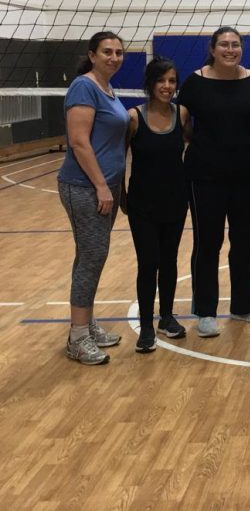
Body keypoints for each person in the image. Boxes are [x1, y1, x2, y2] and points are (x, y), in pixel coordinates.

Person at [177, 27, 250, 338]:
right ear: (212, 49)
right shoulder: (195, 82)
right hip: (205, 175)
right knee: (208, 242)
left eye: (235, 45)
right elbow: (183, 125)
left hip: (246, 175)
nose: (230, 50)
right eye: (224, 45)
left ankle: (244, 304)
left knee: (245, 241)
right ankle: (205, 311)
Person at [58, 31, 130, 365]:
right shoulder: (83, 87)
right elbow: (79, 141)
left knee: (91, 257)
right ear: (92, 55)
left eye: (118, 52)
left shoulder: (108, 89)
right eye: (107, 52)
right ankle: (77, 338)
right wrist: (101, 186)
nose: (114, 57)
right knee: (91, 257)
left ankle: (86, 324)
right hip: (84, 187)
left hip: (106, 186)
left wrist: (116, 187)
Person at [125, 57, 189, 353]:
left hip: (175, 200)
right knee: (148, 262)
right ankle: (147, 326)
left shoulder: (182, 114)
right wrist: (120, 195)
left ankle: (167, 317)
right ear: (150, 84)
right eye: (161, 80)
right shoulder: (133, 117)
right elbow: (119, 158)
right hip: (143, 203)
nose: (167, 86)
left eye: (172, 81)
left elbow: (196, 146)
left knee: (169, 261)